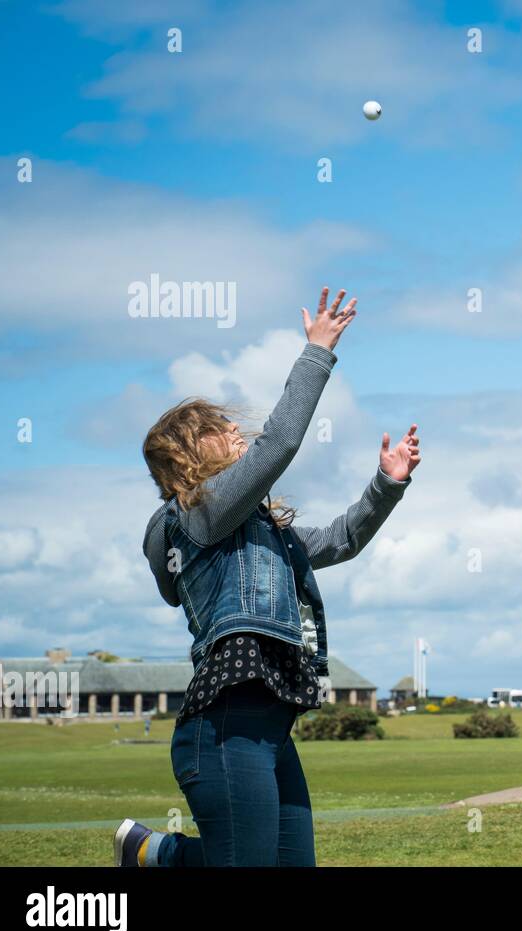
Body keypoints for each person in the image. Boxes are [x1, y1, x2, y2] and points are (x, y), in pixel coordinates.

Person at [114, 287, 421, 867]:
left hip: (269, 728)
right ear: (187, 453)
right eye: (219, 427)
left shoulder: (256, 530)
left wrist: (388, 484)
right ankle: (160, 855)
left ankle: (152, 853)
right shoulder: (197, 517)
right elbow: (280, 442)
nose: (237, 432)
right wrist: (318, 351)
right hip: (226, 728)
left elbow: (341, 539)